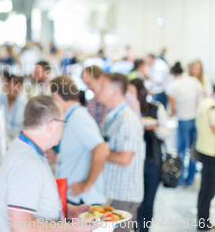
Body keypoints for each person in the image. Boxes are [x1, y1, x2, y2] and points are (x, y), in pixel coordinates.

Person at [0, 95, 96, 232]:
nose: (63, 128)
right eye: (62, 123)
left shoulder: (29, 151)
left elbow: (37, 202)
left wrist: (72, 211)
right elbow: (21, 226)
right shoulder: (26, 163)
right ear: (52, 126)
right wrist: (71, 228)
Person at [50, 76, 109, 205]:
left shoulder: (78, 117)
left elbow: (102, 150)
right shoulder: (71, 116)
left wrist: (86, 185)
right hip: (72, 195)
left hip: (82, 199)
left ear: (56, 95)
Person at [98, 73, 145, 232]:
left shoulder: (127, 120)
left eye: (103, 87)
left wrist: (99, 151)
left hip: (124, 195)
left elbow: (125, 158)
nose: (98, 90)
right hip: (113, 192)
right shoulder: (111, 116)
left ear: (115, 92)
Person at [130, 79, 169, 232]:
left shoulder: (155, 108)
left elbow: (166, 133)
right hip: (133, 162)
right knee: (135, 202)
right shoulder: (126, 111)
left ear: (141, 92)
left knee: (148, 203)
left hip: (151, 160)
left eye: (132, 92)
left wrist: (154, 128)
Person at [166, 62, 202, 188]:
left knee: (181, 151)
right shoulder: (193, 81)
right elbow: (198, 100)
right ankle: (190, 180)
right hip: (195, 118)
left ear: (173, 73)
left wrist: (168, 116)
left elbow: (173, 109)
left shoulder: (172, 86)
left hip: (183, 119)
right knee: (193, 151)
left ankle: (179, 180)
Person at [195, 93, 215, 231]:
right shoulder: (212, 107)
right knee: (208, 190)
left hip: (203, 148)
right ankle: (203, 222)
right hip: (211, 151)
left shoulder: (204, 102)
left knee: (205, 189)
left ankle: (203, 220)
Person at [0, 72, 28, 145]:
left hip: (17, 142)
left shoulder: (24, 105)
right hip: (0, 140)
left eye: (17, 90)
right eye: (13, 90)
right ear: (6, 86)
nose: (15, 92)